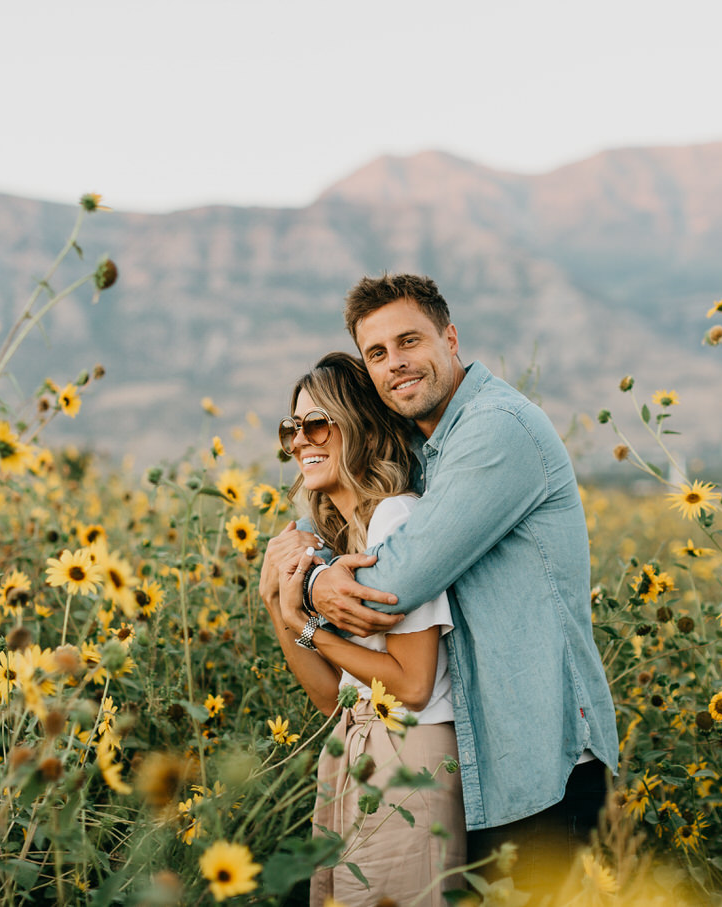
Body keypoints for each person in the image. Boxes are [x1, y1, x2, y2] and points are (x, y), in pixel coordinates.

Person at [263, 274, 618, 889]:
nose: (395, 363)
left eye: (409, 342)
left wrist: (309, 593)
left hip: (543, 757)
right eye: (377, 353)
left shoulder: (494, 430)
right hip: (484, 758)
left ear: (450, 338)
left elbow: (392, 584)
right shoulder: (421, 444)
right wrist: (294, 554)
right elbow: (324, 512)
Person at [264, 351, 465, 906]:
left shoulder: (396, 519)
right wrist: (278, 605)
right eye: (292, 429)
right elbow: (333, 699)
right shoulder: (345, 538)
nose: (301, 441)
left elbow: (411, 686)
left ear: (361, 426)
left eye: (317, 424)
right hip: (356, 744)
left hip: (408, 754)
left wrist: (307, 626)